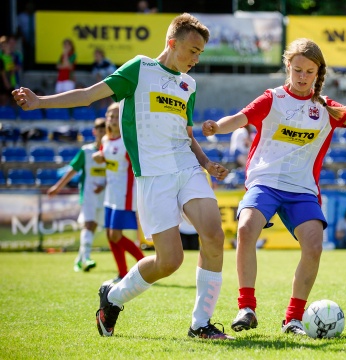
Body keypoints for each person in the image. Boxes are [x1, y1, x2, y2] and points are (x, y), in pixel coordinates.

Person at [12, 13, 233, 340]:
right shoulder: (140, 68)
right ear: (172, 43)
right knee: (169, 261)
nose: (196, 58)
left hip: (187, 168)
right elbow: (89, 94)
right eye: (192, 50)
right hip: (153, 175)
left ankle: (201, 324)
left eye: (201, 53)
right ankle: (112, 298)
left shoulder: (189, 84)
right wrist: (40, 101)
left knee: (214, 236)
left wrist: (206, 162)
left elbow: (185, 133)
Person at [201, 38, 346, 336]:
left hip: (302, 190)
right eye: (297, 69)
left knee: (314, 246)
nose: (302, 76)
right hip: (265, 182)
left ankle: (293, 319)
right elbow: (240, 118)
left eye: (309, 71)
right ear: (288, 67)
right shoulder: (272, 98)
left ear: (317, 72)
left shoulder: (325, 108)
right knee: (245, 229)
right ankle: (246, 307)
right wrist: (217, 127)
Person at [92, 103, 145, 283]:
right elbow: (106, 157)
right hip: (110, 194)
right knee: (110, 236)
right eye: (109, 116)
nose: (112, 119)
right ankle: (122, 273)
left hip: (125, 195)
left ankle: (144, 262)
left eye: (116, 116)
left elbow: (138, 163)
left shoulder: (128, 140)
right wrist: (100, 156)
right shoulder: (106, 140)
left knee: (115, 235)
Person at [47, 117, 107, 272]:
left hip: (105, 196)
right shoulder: (86, 151)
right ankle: (86, 258)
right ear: (94, 132)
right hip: (88, 195)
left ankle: (79, 259)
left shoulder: (111, 151)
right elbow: (72, 170)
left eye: (104, 130)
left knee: (93, 227)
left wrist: (104, 185)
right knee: (88, 225)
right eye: (99, 130)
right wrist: (57, 187)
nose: (102, 133)